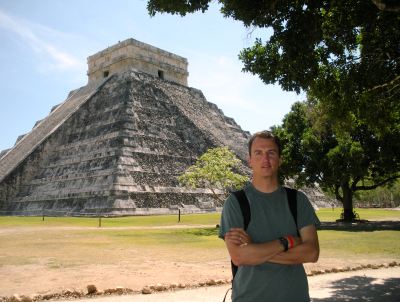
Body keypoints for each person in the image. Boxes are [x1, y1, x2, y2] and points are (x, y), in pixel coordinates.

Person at [219, 130, 320, 302]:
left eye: (271, 153)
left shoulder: (297, 200)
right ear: (249, 160)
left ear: (279, 159)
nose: (265, 159)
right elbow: (239, 257)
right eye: (258, 153)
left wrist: (255, 250)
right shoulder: (236, 202)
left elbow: (311, 253)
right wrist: (287, 242)